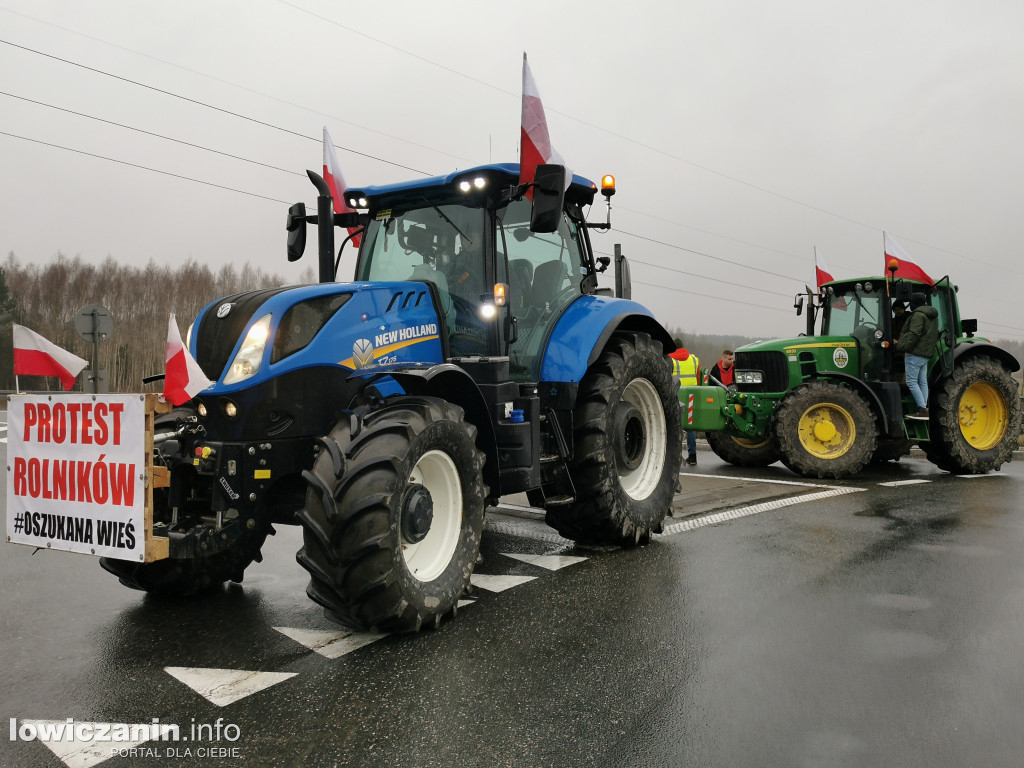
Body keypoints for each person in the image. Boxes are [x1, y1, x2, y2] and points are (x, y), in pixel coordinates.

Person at [895, 292, 938, 418]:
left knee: (911, 382)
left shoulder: (918, 315)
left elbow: (914, 333)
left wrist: (905, 347)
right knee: (923, 381)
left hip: (914, 353)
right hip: (926, 354)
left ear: (914, 303)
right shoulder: (933, 315)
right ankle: (923, 408)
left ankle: (922, 409)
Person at [668, 338, 701, 465]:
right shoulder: (694, 359)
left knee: (673, 425)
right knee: (690, 427)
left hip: (676, 394)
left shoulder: (670, 359)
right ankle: (692, 456)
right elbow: (699, 377)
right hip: (692, 395)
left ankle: (675, 457)